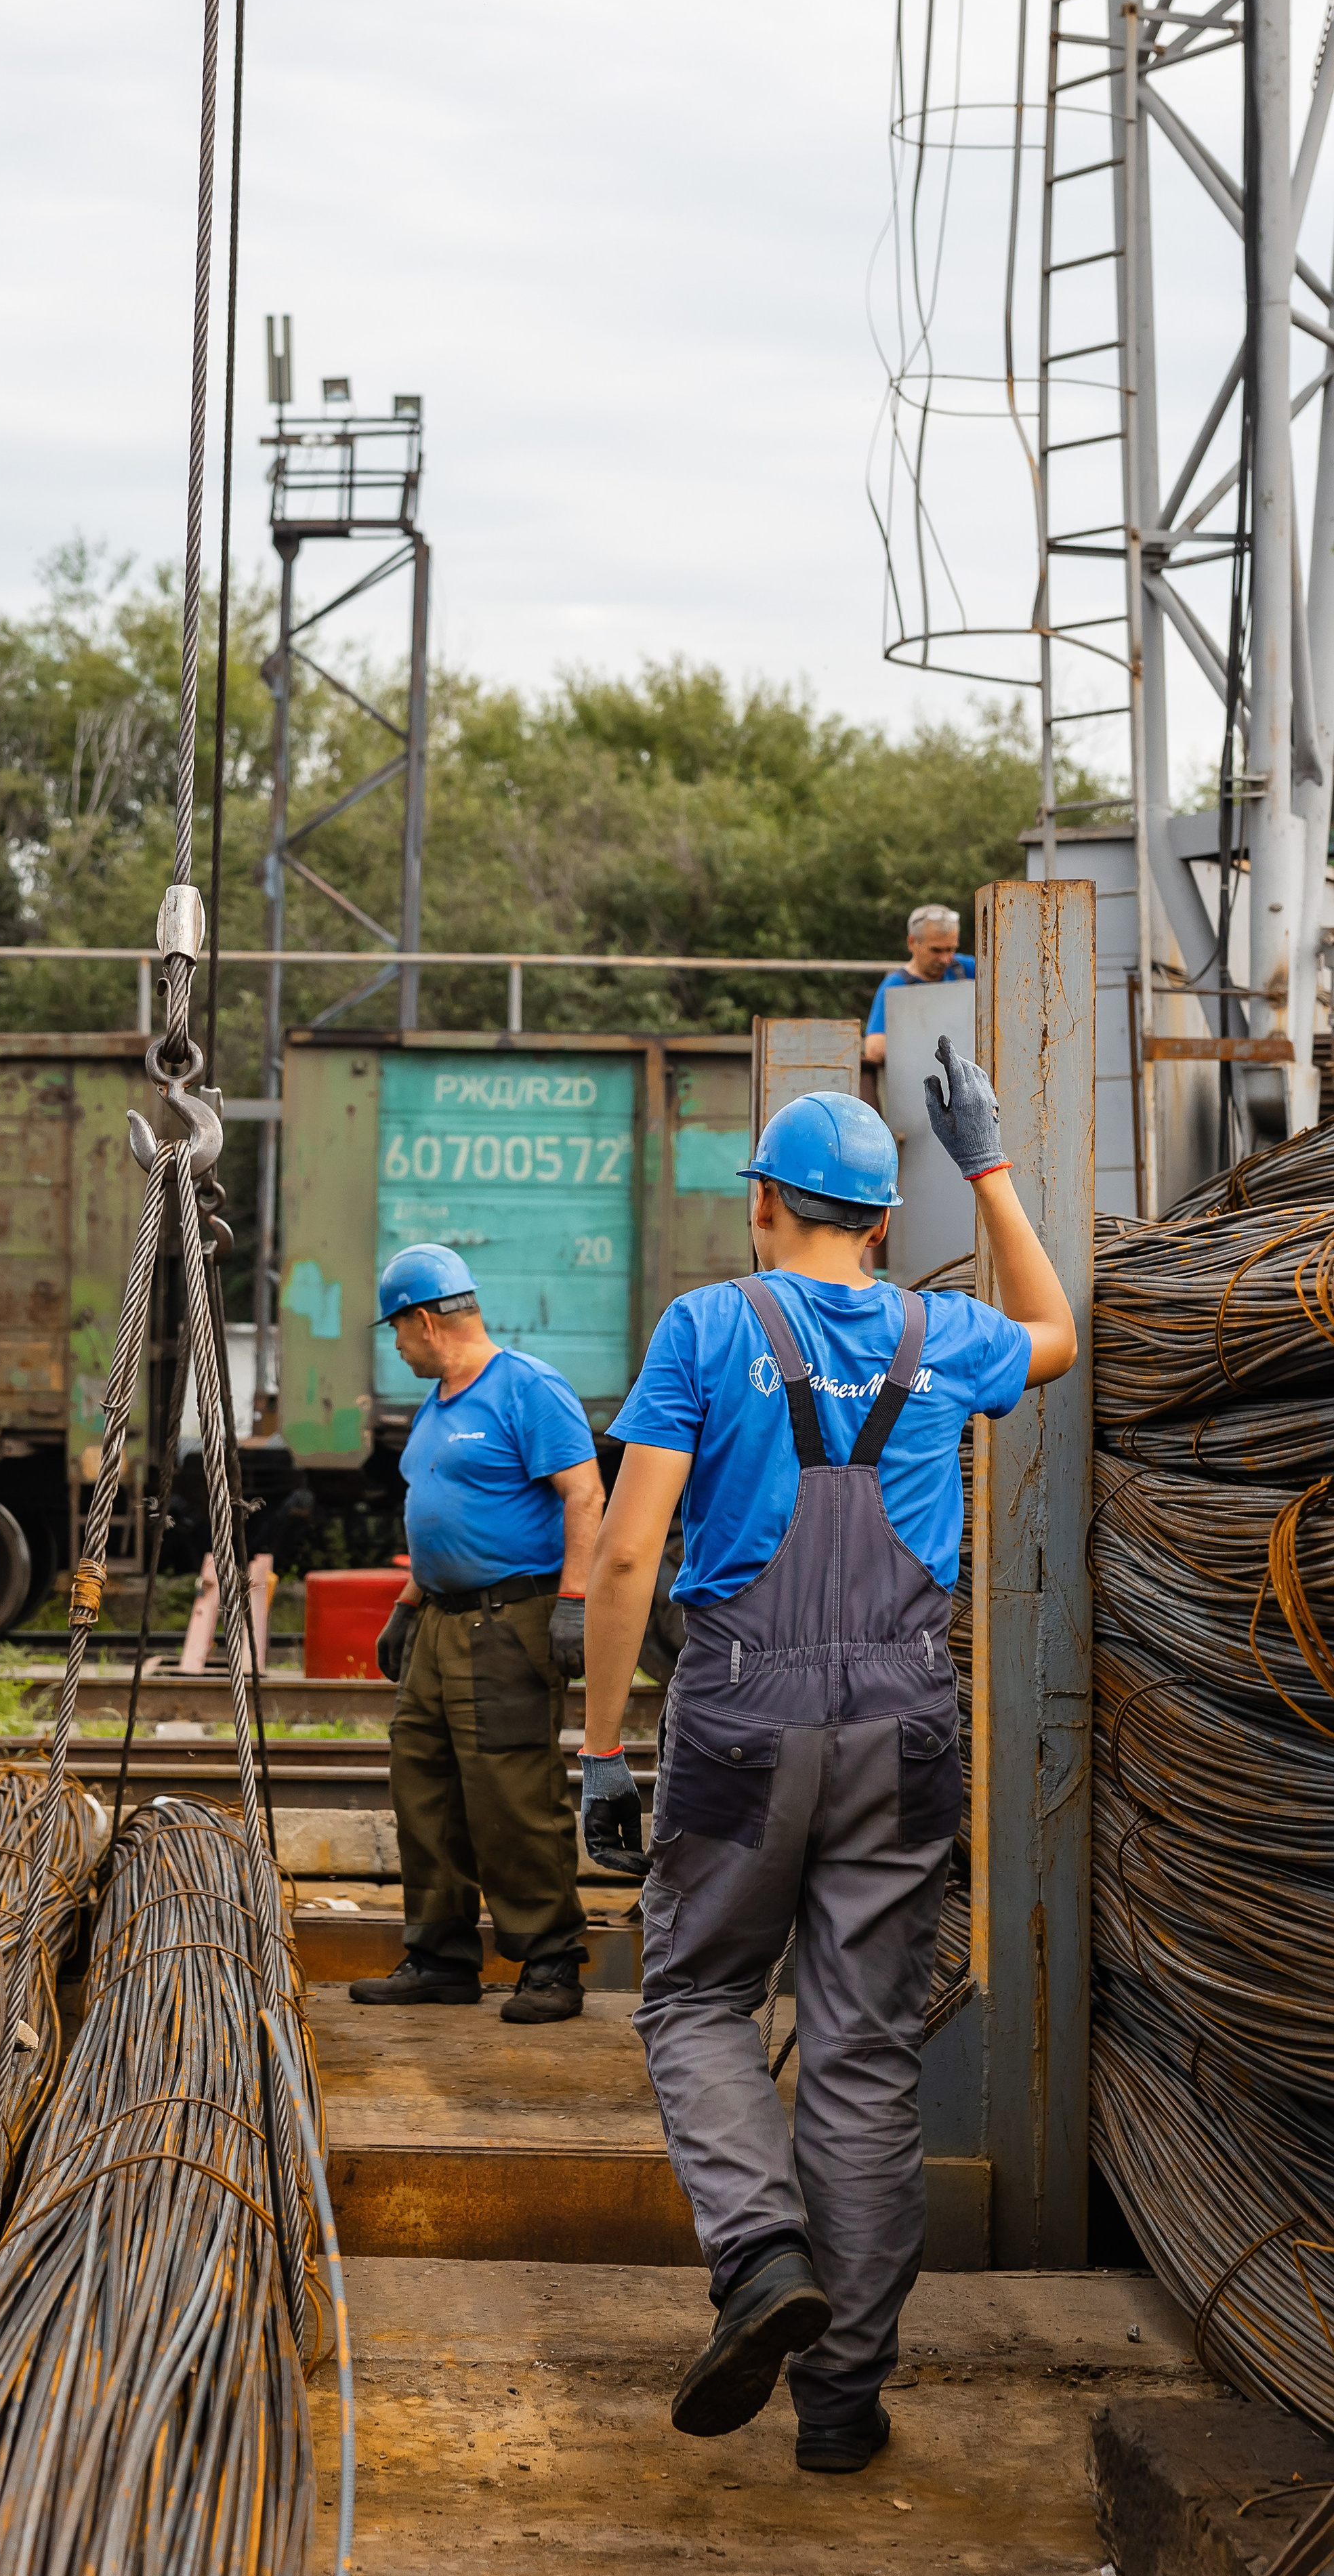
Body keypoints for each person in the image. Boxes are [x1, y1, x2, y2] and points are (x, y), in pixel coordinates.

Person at [578, 1047, 1076, 2474]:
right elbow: (1052, 1327)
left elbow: (623, 1553)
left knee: (694, 1999)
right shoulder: (941, 1336)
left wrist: (604, 1749)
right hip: (905, 1726)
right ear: (871, 1219)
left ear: (764, 1207)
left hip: (739, 1720)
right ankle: (843, 2405)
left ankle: (756, 2260)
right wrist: (983, 1166)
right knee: (859, 2056)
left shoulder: (702, 1328)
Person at [348, 1242, 606, 2025]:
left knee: (513, 1791)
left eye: (397, 1329)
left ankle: (551, 1962)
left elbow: (585, 1494)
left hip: (507, 1622)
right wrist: (405, 1603)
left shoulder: (526, 1389)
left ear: (427, 1320)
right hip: (440, 1620)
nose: (395, 1345)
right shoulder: (440, 1404)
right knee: (421, 1782)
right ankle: (439, 1957)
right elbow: (443, 1519)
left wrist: (573, 1602)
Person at [862, 905, 975, 1066]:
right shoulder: (896, 986)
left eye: (951, 949)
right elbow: (875, 1050)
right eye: (936, 950)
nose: (945, 959)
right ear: (912, 942)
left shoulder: (967, 968)